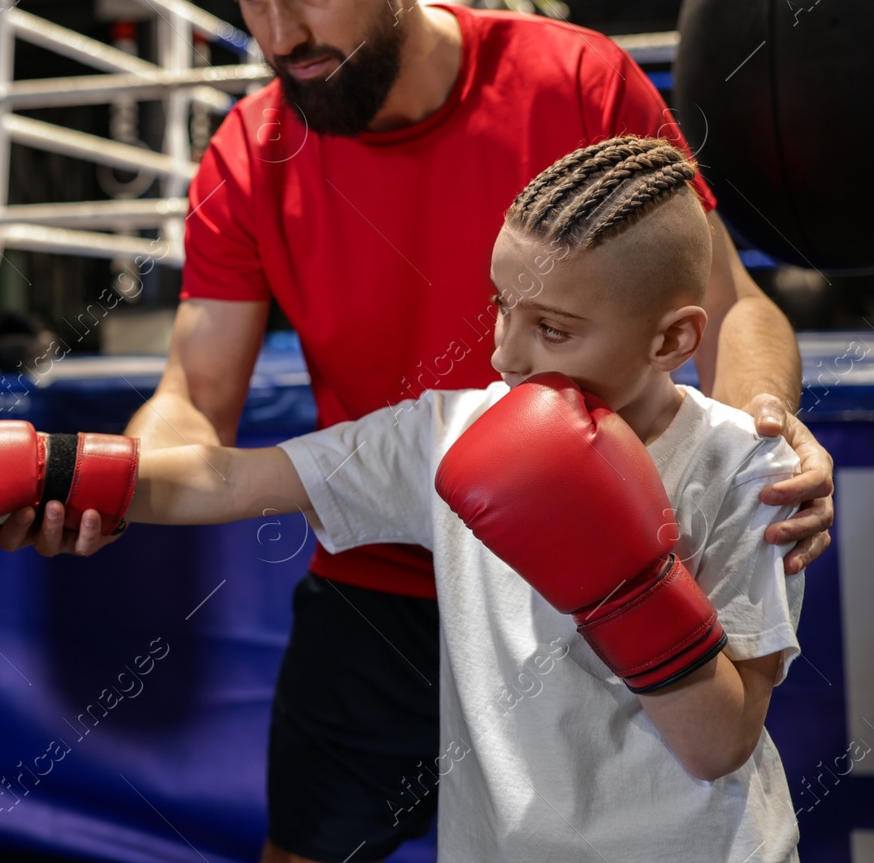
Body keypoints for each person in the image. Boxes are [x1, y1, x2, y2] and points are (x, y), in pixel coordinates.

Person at [0, 0, 834, 862]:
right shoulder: (249, 153)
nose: (278, 36)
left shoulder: (570, 81)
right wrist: (98, 483)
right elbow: (196, 396)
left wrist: (762, 436)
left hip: (605, 569)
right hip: (379, 580)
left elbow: (727, 303)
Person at [122, 137, 804, 860]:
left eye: (552, 329)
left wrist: (620, 577)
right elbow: (229, 479)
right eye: (501, 307)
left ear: (672, 340)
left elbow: (717, 743)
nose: (505, 354)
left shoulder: (744, 464)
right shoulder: (452, 432)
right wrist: (43, 477)